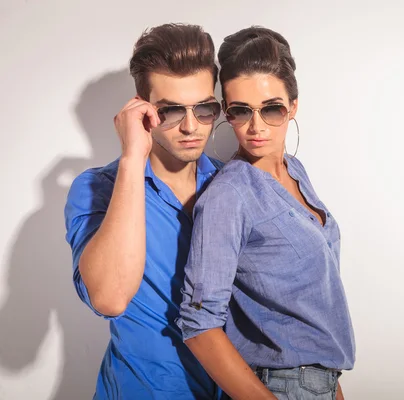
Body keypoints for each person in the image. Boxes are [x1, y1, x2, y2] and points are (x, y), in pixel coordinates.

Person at [177, 26, 356, 400]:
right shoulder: (230, 195)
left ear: (292, 106)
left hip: (318, 385)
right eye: (240, 111)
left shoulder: (295, 171)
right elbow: (199, 325)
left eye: (271, 108)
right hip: (274, 387)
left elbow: (310, 310)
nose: (256, 127)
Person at [64, 23, 223, 399]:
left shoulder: (232, 183)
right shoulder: (96, 189)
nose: (190, 126)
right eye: (170, 111)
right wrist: (133, 158)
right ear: (142, 106)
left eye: (204, 108)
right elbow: (109, 297)